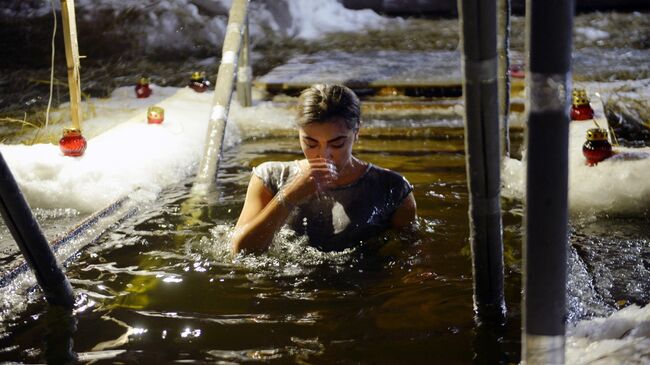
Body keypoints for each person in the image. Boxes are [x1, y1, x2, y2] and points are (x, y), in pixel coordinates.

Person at [231, 84, 416, 253]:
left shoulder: (392, 189)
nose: (323, 155)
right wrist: (289, 195)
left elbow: (409, 255)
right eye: (310, 143)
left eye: (337, 143)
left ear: (357, 132)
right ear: (298, 133)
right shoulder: (270, 178)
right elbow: (239, 251)